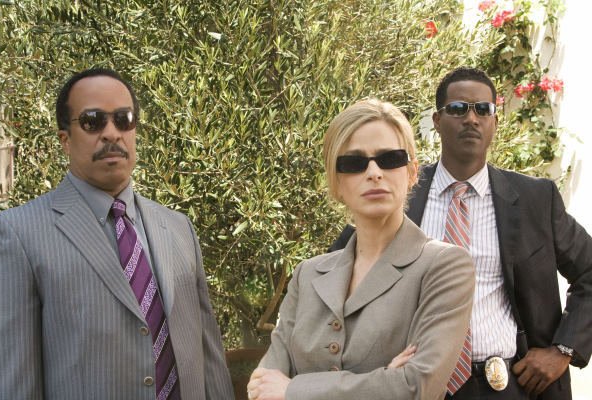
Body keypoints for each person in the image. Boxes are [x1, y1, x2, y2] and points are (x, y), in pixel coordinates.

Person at [329, 67, 592, 399]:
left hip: (509, 386)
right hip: (413, 386)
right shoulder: (398, 192)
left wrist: (563, 349)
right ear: (437, 121)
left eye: (483, 109)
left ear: (495, 120)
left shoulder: (534, 200)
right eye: (458, 109)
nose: (471, 118)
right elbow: (333, 281)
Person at [0, 68, 234, 400]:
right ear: (65, 139)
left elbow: (209, 360)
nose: (111, 133)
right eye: (92, 121)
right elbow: (13, 383)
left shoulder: (178, 228)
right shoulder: (18, 234)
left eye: (124, 119)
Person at [247, 99, 475, 400]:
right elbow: (262, 388)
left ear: (412, 172)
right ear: (337, 183)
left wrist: (293, 389)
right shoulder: (308, 275)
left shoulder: (444, 266)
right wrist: (383, 380)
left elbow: (417, 387)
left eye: (390, 158)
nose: (374, 172)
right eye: (354, 163)